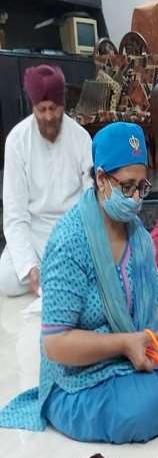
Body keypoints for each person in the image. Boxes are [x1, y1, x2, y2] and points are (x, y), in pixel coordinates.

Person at [0, 122, 158, 444]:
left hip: (135, 335)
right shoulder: (71, 241)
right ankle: (148, 385)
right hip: (81, 369)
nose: (135, 199)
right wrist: (124, 344)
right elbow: (56, 345)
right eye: (126, 186)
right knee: (147, 407)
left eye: (141, 187)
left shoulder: (137, 234)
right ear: (101, 179)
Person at [0, 65, 92, 297]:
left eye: (54, 108)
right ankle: (51, 275)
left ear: (63, 105)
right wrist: (30, 266)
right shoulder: (17, 141)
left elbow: (91, 202)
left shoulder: (81, 138)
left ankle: (60, 274)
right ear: (33, 106)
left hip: (72, 231)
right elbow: (14, 214)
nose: (49, 116)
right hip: (35, 230)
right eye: (42, 110)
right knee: (7, 279)